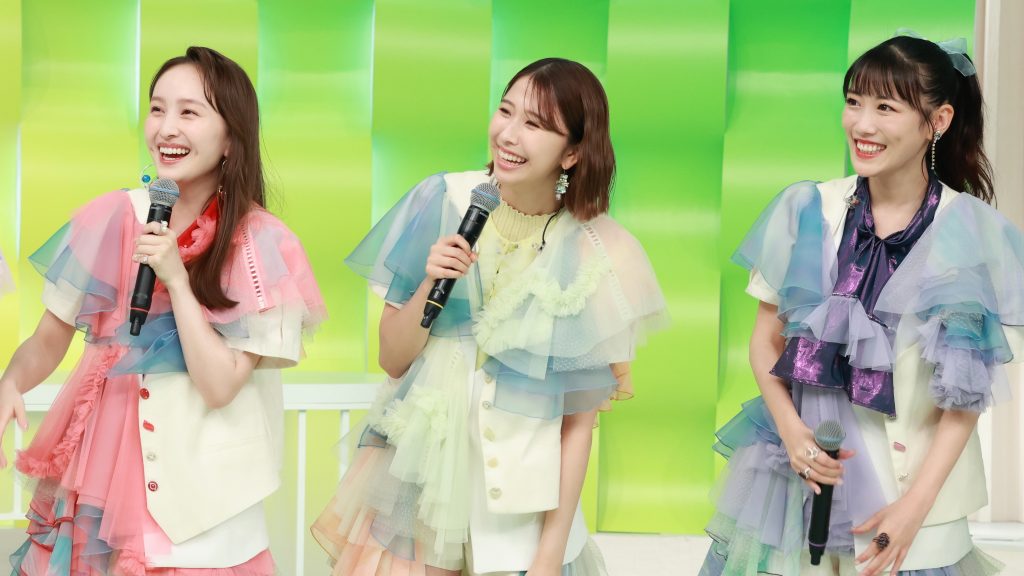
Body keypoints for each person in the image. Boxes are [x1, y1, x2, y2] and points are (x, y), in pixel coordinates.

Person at [312, 57, 668, 576]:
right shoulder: (444, 199)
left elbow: (578, 424)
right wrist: (432, 281)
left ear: (572, 152)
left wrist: (549, 556)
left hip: (520, 509)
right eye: (506, 111)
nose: (509, 134)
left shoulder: (597, 251)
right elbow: (392, 358)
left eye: (535, 124)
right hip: (421, 490)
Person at [0, 46, 325, 574]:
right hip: (101, 483)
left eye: (189, 112)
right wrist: (11, 382)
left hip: (207, 504)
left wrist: (175, 279)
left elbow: (219, 386)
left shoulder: (262, 245)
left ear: (231, 137)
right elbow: (47, 340)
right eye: (157, 109)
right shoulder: (112, 216)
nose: (166, 128)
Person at [700, 33, 1015, 576]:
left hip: (916, 506)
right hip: (800, 487)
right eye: (853, 102)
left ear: (938, 121)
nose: (862, 125)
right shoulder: (807, 208)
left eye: (886, 108)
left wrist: (914, 510)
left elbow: (963, 398)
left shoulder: (968, 231)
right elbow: (765, 343)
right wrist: (794, 435)